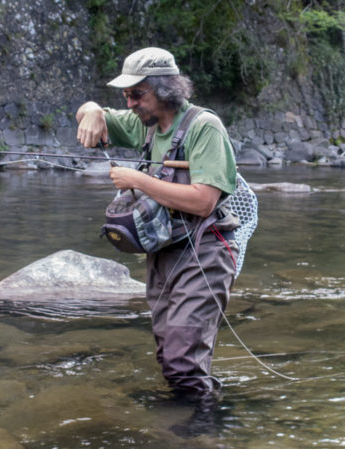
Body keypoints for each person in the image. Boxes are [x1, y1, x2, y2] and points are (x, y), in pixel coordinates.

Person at [76, 47, 240, 396]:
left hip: (205, 251)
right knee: (170, 357)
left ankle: (201, 431)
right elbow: (93, 114)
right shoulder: (143, 125)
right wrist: (90, 112)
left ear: (166, 88)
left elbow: (204, 200)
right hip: (164, 252)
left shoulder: (204, 126)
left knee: (182, 362)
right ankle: (194, 421)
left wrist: (137, 180)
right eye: (125, 96)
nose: (131, 103)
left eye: (138, 94)